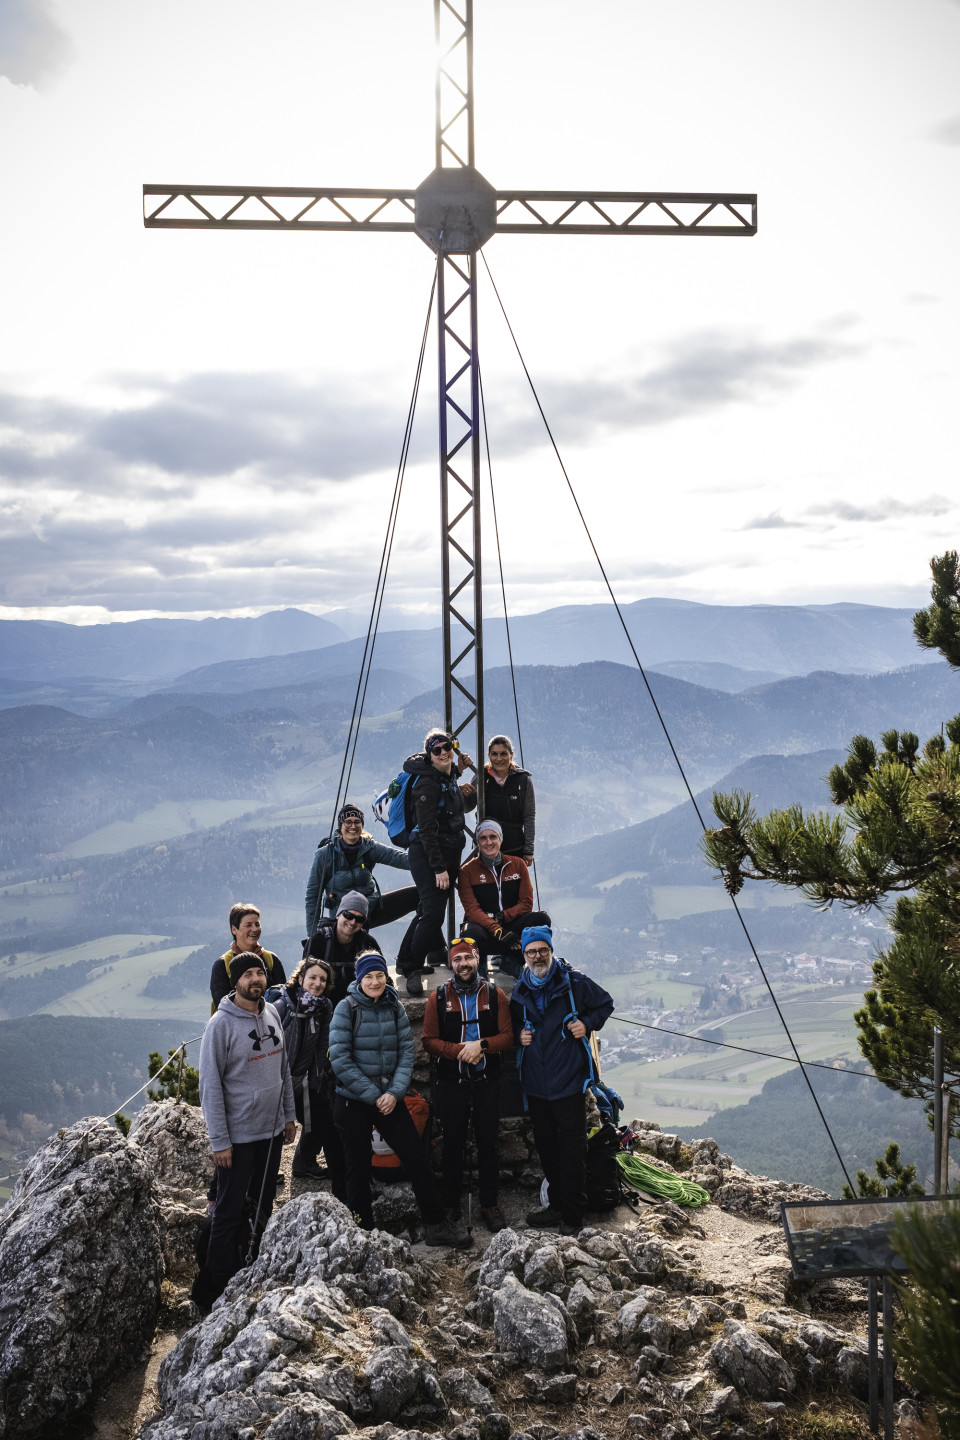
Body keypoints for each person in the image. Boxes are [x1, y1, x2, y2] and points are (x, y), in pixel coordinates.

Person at [327, 950, 465, 1247]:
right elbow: (340, 1060)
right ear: (359, 979)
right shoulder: (346, 1008)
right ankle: (361, 1233)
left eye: (379, 975)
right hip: (353, 1100)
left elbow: (407, 1053)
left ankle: (435, 1224)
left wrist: (394, 1093)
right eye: (368, 977)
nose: (375, 982)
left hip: (389, 1098)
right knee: (358, 1166)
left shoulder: (394, 1008)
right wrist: (377, 1095)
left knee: (416, 1158)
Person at [193, 951, 296, 1311]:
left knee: (263, 1203)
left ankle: (252, 1265)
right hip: (237, 1138)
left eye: (260, 973)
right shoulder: (220, 1025)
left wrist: (288, 1116)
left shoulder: (271, 1012)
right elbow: (210, 1087)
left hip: (269, 1133)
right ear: (235, 981)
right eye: (248, 974)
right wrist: (219, 1140)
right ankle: (216, 1285)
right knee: (228, 1209)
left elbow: (282, 1068)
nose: (255, 979)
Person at [510, 925, 614, 1236]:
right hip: (537, 1083)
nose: (537, 956)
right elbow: (511, 1024)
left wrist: (586, 1023)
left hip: (569, 1081)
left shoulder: (574, 983)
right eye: (531, 952)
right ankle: (556, 1204)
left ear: (551, 950)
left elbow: (605, 1003)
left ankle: (573, 1214)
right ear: (524, 955)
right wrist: (519, 1035)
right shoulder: (520, 989)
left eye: (543, 950)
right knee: (547, 1147)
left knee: (572, 1150)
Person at [422, 937, 514, 1235]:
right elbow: (429, 1041)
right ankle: (451, 1203)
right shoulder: (438, 998)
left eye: (468, 958)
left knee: (488, 1143)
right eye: (457, 960)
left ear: (477, 959)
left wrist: (482, 1046)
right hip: (452, 1083)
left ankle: (489, 1203)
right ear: (451, 964)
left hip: (487, 1082)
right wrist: (460, 1051)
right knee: (452, 1144)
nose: (463, 964)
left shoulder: (495, 994)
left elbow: (507, 1037)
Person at [400, 727, 477, 996]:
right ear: (429, 755)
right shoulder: (426, 785)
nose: (443, 752)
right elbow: (427, 831)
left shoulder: (444, 775)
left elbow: (448, 777)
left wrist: (459, 768)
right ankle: (412, 968)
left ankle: (403, 960)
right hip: (429, 854)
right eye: (437, 750)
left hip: (446, 851)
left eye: (447, 747)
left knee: (426, 909)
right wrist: (439, 868)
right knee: (433, 914)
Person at [266, 955, 347, 1203]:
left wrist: (318, 1082)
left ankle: (343, 1191)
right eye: (312, 977)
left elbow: (322, 1045)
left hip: (301, 1080)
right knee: (272, 1135)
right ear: (300, 979)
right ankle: (263, 1189)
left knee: (326, 1125)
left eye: (323, 979)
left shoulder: (324, 1008)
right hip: (274, 1084)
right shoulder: (281, 1007)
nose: (317, 983)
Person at [304, 804, 419, 968]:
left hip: (369, 909)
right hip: (344, 920)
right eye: (348, 822)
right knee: (353, 965)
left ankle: (417, 955)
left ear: (362, 825)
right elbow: (312, 897)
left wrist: (434, 862)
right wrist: (314, 938)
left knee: (420, 896)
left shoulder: (369, 848)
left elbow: (400, 859)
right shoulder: (325, 855)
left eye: (357, 821)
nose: (353, 826)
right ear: (340, 826)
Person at [457, 818, 552, 978]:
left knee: (541, 919)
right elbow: (472, 911)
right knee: (470, 932)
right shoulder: (467, 871)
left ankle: (512, 962)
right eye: (483, 838)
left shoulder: (518, 864)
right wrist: (499, 932)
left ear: (500, 839)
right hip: (485, 930)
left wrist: (505, 916)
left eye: (493, 837)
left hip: (511, 929)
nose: (488, 842)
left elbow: (526, 903)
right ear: (478, 842)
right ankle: (479, 970)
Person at [304, 891, 384, 1006]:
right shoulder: (318, 941)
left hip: (359, 1007)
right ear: (338, 915)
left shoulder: (368, 943)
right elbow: (305, 980)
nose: (353, 922)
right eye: (348, 915)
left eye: (359, 919)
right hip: (322, 1007)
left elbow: (382, 975)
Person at [210, 903, 286, 1010]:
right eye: (248, 925)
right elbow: (222, 1004)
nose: (255, 929)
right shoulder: (222, 964)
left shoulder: (271, 960)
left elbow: (283, 997)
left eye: (257, 924)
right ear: (234, 930)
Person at [483, 735, 536, 863]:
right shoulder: (481, 777)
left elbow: (529, 816)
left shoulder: (523, 780)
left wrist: (528, 850)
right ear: (489, 756)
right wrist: (466, 792)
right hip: (487, 848)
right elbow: (467, 807)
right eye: (494, 754)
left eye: (503, 754)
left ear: (511, 755)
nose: (499, 758)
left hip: (515, 848)